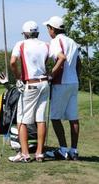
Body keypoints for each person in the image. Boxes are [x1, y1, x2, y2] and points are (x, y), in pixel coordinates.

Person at [8, 20, 65, 163]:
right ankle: (39, 153)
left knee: (22, 120)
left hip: (30, 84)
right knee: (40, 119)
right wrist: (51, 74)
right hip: (44, 84)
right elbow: (61, 57)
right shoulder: (46, 44)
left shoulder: (20, 44)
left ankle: (25, 154)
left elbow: (13, 62)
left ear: (25, 34)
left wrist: (17, 78)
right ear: (37, 32)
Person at [43, 16, 81, 160]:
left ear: (53, 29)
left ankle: (63, 150)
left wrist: (51, 75)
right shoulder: (72, 41)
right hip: (73, 83)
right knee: (73, 118)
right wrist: (76, 77)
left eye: (48, 28)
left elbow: (62, 58)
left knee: (54, 117)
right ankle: (74, 151)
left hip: (61, 83)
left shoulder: (55, 42)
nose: (48, 31)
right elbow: (79, 63)